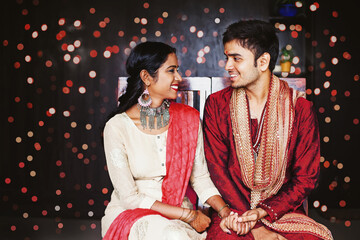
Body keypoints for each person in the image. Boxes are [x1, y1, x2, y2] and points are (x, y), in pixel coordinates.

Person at [203, 20, 333, 240]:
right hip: (233, 212)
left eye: (236, 58)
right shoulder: (217, 105)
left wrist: (263, 212)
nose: (227, 66)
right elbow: (217, 171)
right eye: (227, 57)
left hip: (283, 211)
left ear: (263, 61)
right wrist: (252, 224)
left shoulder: (300, 109)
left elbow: (305, 178)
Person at [101, 41, 238, 240]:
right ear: (146, 77)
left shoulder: (188, 119)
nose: (179, 78)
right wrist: (189, 215)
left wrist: (225, 211)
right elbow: (130, 198)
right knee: (172, 236)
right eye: (171, 71)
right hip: (133, 215)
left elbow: (199, 178)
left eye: (177, 70)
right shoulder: (117, 127)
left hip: (178, 217)